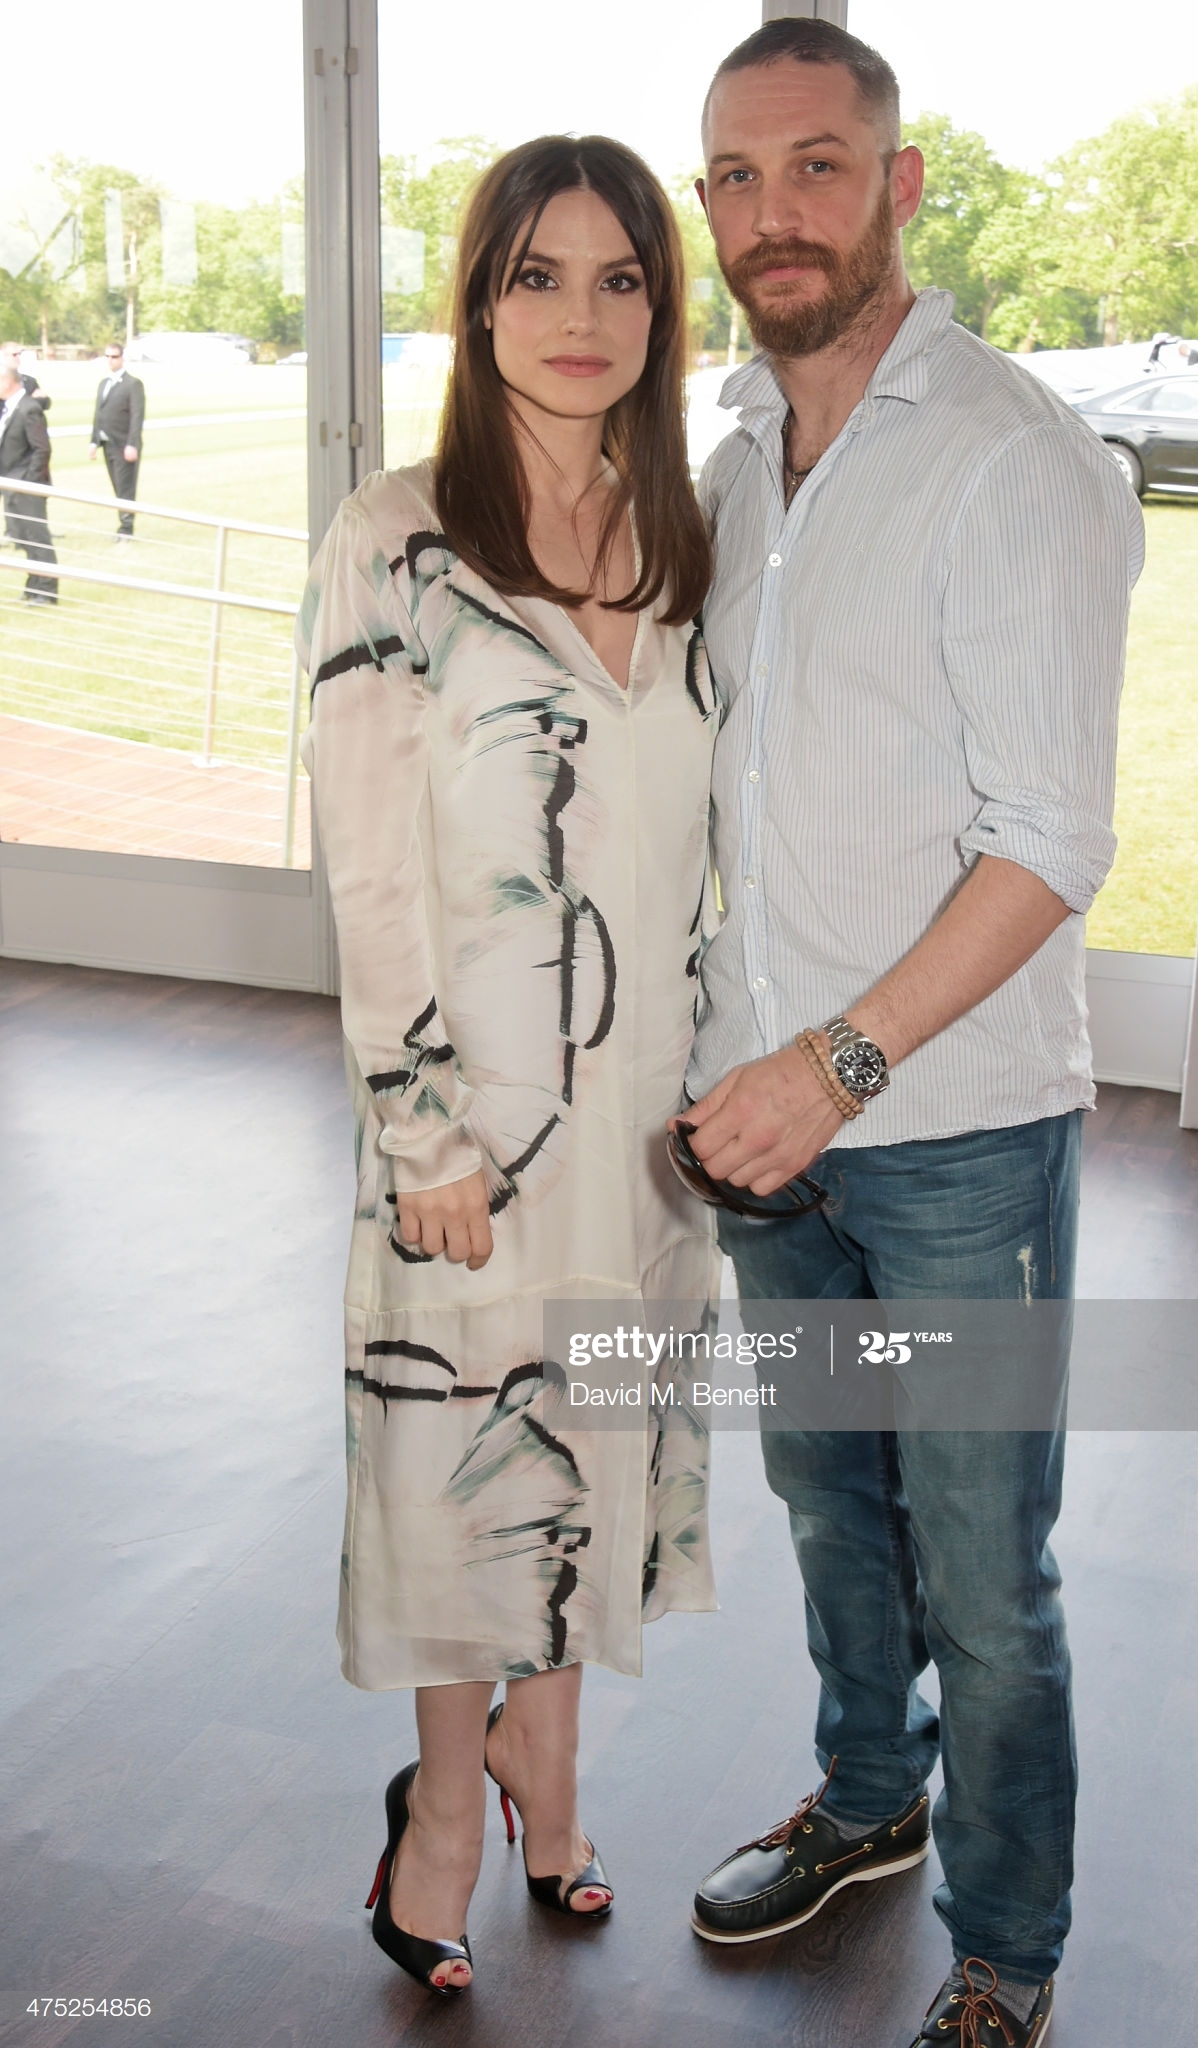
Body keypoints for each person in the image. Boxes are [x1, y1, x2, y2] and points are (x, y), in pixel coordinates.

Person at [681, 21, 1143, 2047]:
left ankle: (1007, 1948)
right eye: (735, 175)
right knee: (827, 1510)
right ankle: (868, 1796)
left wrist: (835, 1064)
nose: (771, 213)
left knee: (981, 1568)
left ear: (899, 183)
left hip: (947, 1133)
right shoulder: (731, 466)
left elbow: (1050, 839)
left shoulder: (1007, 456)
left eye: (814, 164)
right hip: (763, 1137)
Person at [296, 134, 719, 1999]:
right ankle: (445, 1816)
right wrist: (420, 1128)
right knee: (466, 1465)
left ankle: (552, 1773)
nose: (578, 314)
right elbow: (369, 865)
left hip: (648, 1127)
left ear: (660, 310)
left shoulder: (685, 538)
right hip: (473, 1121)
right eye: (536, 274)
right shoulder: (395, 536)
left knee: (585, 1452)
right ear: (477, 303)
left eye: (619, 277)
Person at [0, 347, 58, 605]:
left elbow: (41, 449)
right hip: (11, 484)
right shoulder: (9, 408)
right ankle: (34, 584)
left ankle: (47, 590)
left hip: (27, 485)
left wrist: (29, 482)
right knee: (23, 537)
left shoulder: (28, 408)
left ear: (7, 382)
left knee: (37, 538)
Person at [88, 342, 144, 536]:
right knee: (117, 485)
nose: (111, 360)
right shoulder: (104, 383)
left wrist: (132, 444)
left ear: (122, 358)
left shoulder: (132, 384)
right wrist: (94, 441)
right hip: (107, 443)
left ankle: (126, 527)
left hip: (123, 444)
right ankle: (123, 522)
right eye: (108, 357)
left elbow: (137, 416)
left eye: (114, 357)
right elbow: (99, 414)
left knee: (125, 487)